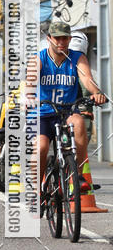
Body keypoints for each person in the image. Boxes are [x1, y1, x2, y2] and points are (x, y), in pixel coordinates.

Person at [37, 19, 106, 190]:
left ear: (69, 39)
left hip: (66, 111)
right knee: (41, 148)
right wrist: (27, 95)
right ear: (50, 38)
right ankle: (36, 191)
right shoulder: (40, 58)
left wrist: (96, 93)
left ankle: (78, 176)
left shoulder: (77, 57)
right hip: (42, 113)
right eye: (57, 38)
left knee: (79, 123)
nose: (61, 42)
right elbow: (30, 79)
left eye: (65, 38)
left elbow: (87, 79)